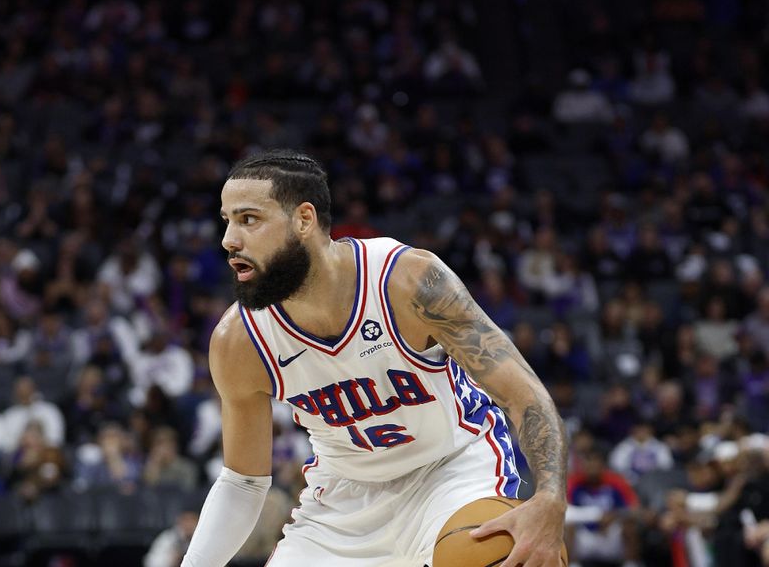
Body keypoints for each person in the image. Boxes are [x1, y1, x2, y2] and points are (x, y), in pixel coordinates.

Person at [182, 150, 568, 567]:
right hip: (344, 501)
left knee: (504, 555)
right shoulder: (238, 340)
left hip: (451, 471)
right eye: (227, 221)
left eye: (249, 219)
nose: (229, 240)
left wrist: (550, 499)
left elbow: (525, 397)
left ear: (304, 220)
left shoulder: (407, 282)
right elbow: (243, 483)